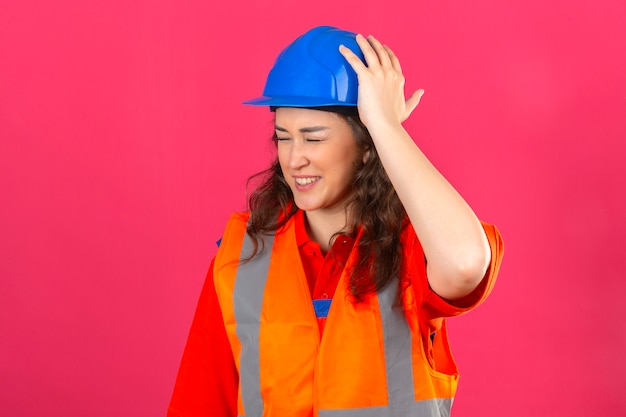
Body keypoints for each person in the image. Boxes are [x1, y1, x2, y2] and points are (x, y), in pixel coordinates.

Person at [167, 26, 504, 417]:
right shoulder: (241, 257)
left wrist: (387, 127)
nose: (294, 160)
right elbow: (199, 403)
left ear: (366, 147)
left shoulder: (415, 247)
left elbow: (464, 263)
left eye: (313, 138)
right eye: (283, 137)